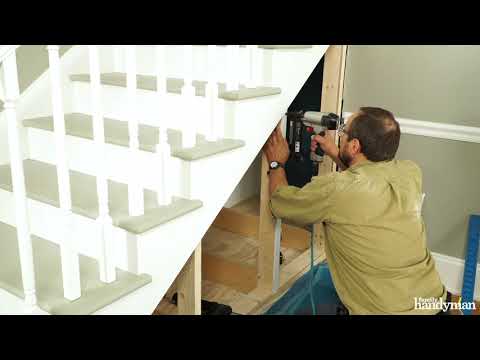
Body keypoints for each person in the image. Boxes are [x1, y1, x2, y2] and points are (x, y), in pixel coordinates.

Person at [263, 107, 448, 315]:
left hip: (387, 311)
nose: (340, 134)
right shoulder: (410, 172)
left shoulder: (337, 188)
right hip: (435, 302)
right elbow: (366, 178)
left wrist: (276, 162)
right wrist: (336, 152)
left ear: (354, 146)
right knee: (321, 273)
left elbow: (281, 204)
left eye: (344, 130)